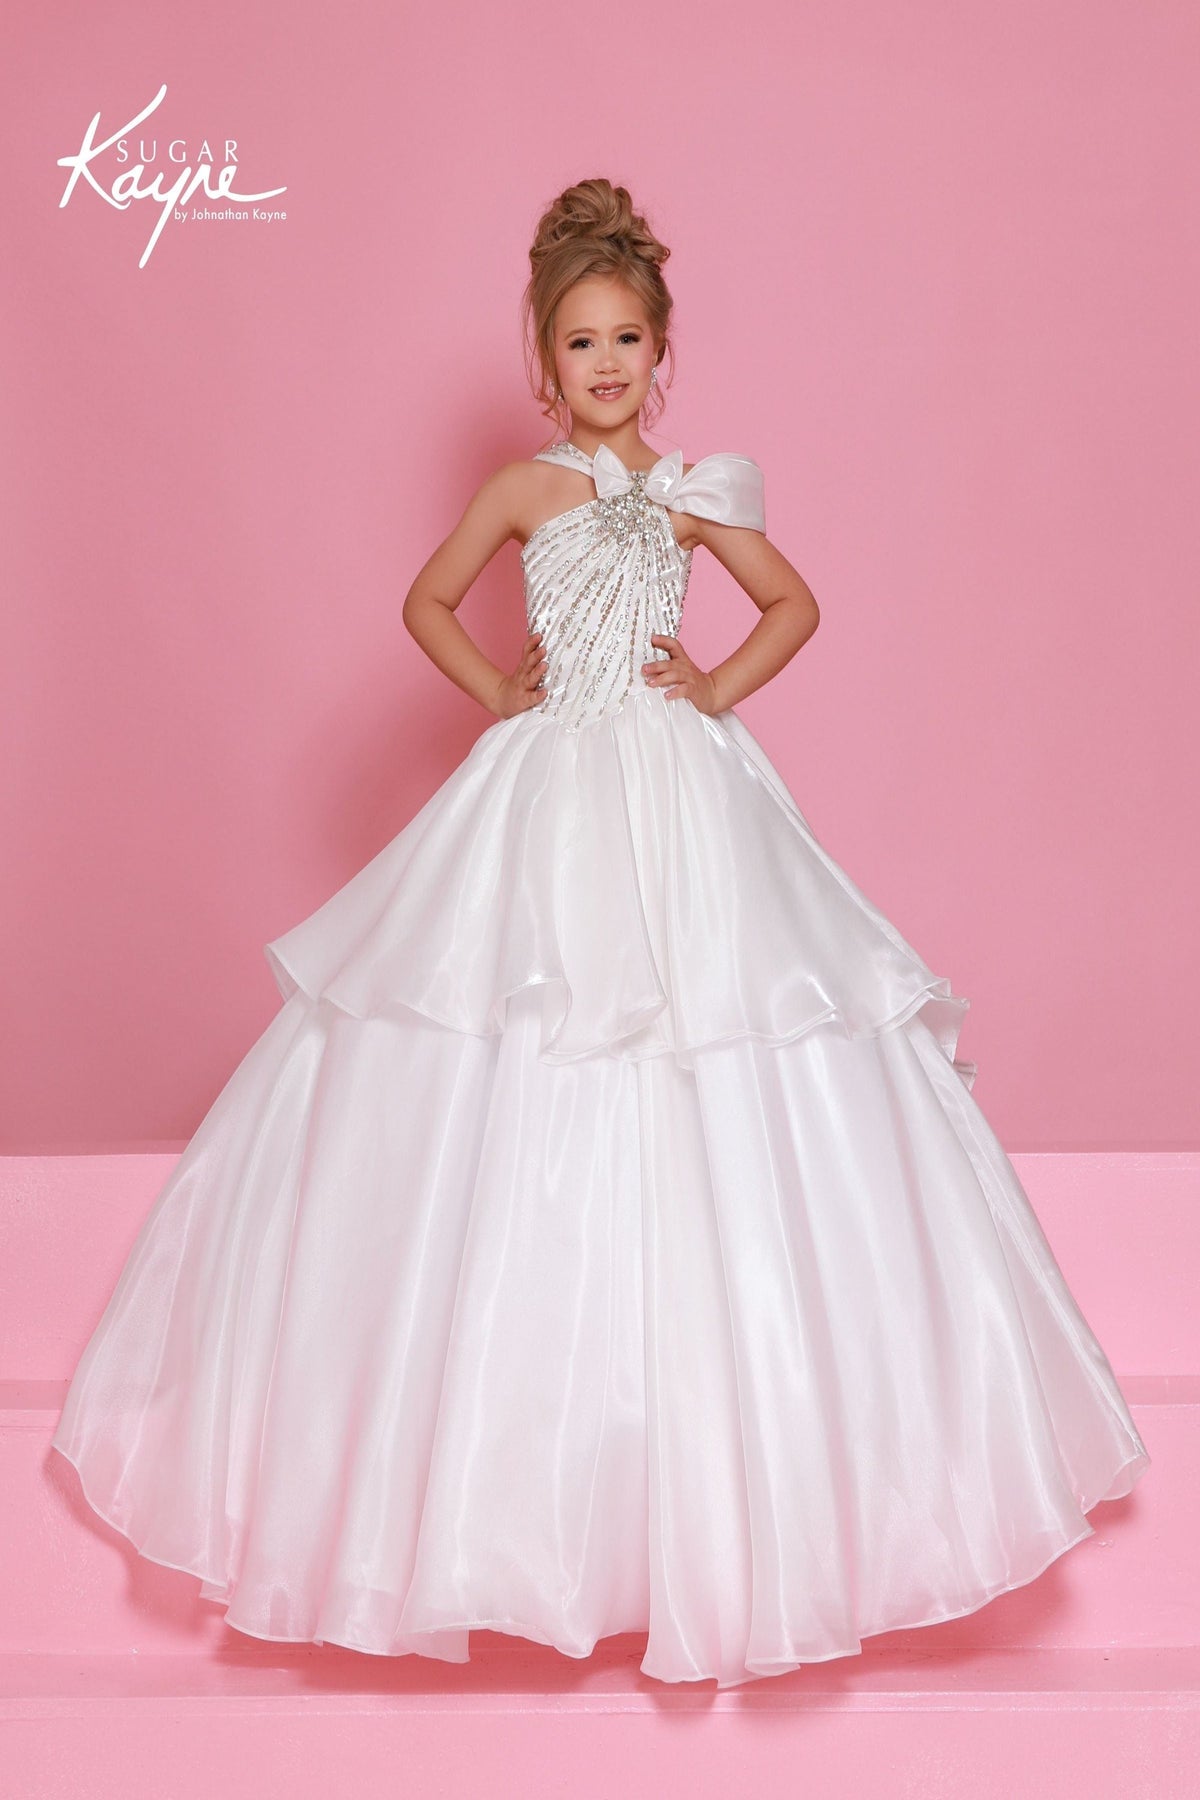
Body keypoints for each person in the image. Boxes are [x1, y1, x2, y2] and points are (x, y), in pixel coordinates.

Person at [51, 177, 1149, 1691]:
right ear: (544, 361)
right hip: (550, 776)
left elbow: (792, 605)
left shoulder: (695, 491)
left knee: (718, 1027)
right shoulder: (523, 490)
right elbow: (430, 603)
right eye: (580, 343)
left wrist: (715, 688)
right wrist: (502, 690)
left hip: (681, 789)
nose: (607, 363)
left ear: (662, 349)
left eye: (628, 338)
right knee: (526, 1022)